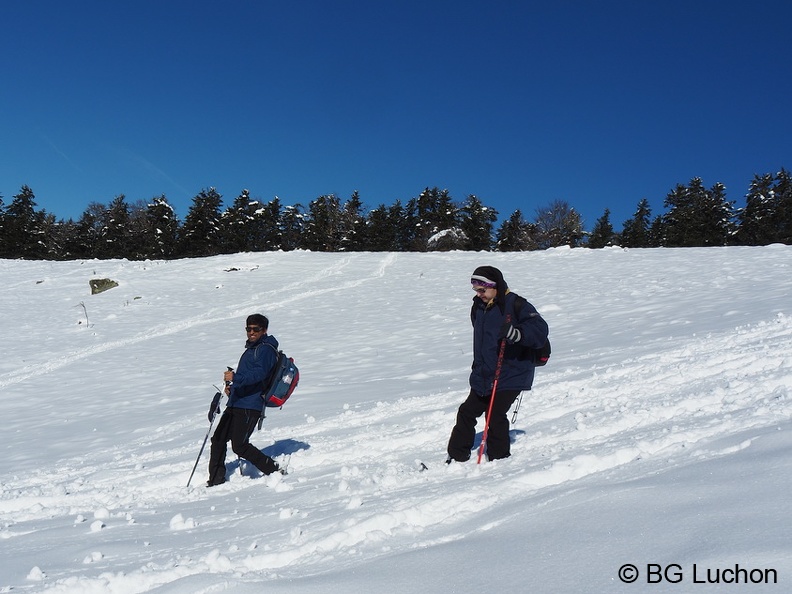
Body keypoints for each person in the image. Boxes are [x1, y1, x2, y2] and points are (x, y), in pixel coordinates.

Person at [446, 266, 549, 463]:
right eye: (476, 290)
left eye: (482, 290)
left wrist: (518, 334)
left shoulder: (517, 305)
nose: (479, 294)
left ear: (495, 286)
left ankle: (499, 458)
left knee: (494, 415)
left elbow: (540, 330)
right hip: (485, 373)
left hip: (512, 372)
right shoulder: (478, 307)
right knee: (467, 411)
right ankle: (457, 455)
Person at [207, 314, 282, 486]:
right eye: (249, 329)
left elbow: (259, 374)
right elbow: (249, 377)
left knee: (239, 446)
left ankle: (273, 469)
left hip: (250, 405)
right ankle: (216, 480)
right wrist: (232, 388)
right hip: (237, 402)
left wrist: (236, 377)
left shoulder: (266, 350)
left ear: (265, 331)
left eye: (256, 329)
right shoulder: (251, 350)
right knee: (218, 439)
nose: (252, 332)